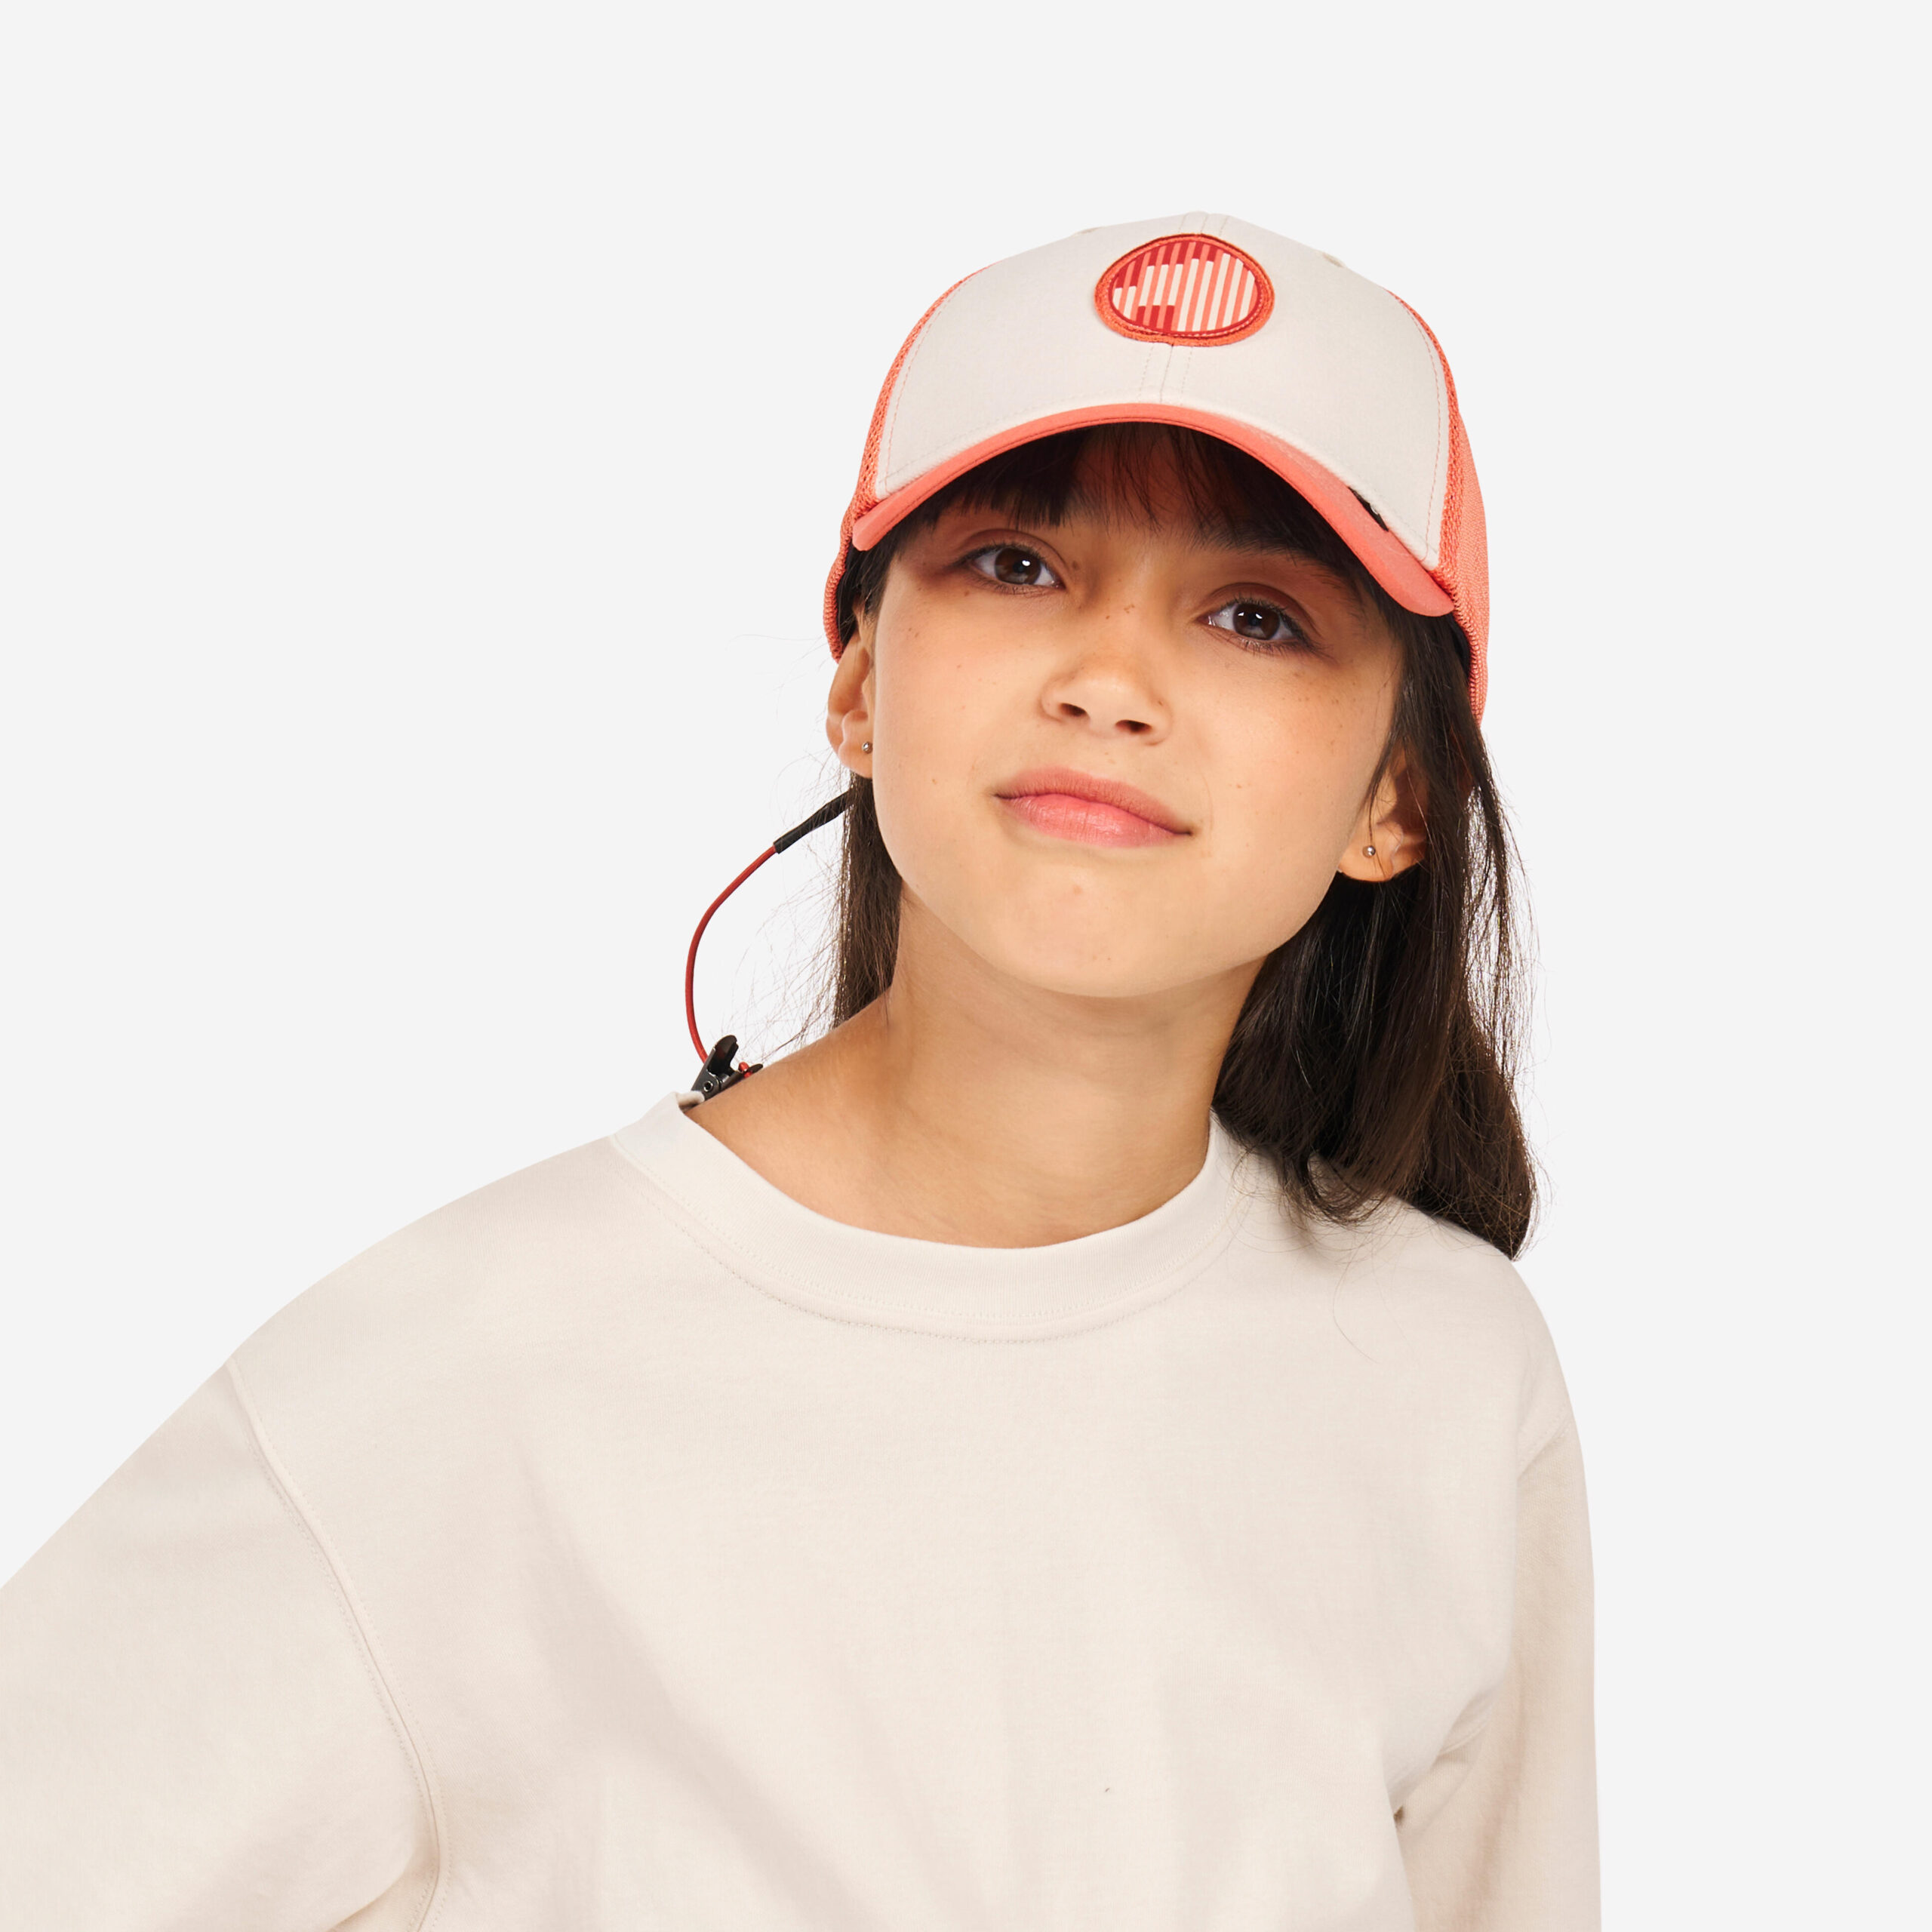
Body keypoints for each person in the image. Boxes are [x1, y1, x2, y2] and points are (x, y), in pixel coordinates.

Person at [0, 216, 1598, 1929]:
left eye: (1255, 615)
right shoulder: (460, 1372)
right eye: (1015, 566)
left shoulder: (1446, 1370)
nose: (1108, 680)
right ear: (856, 679)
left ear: (1398, 799)